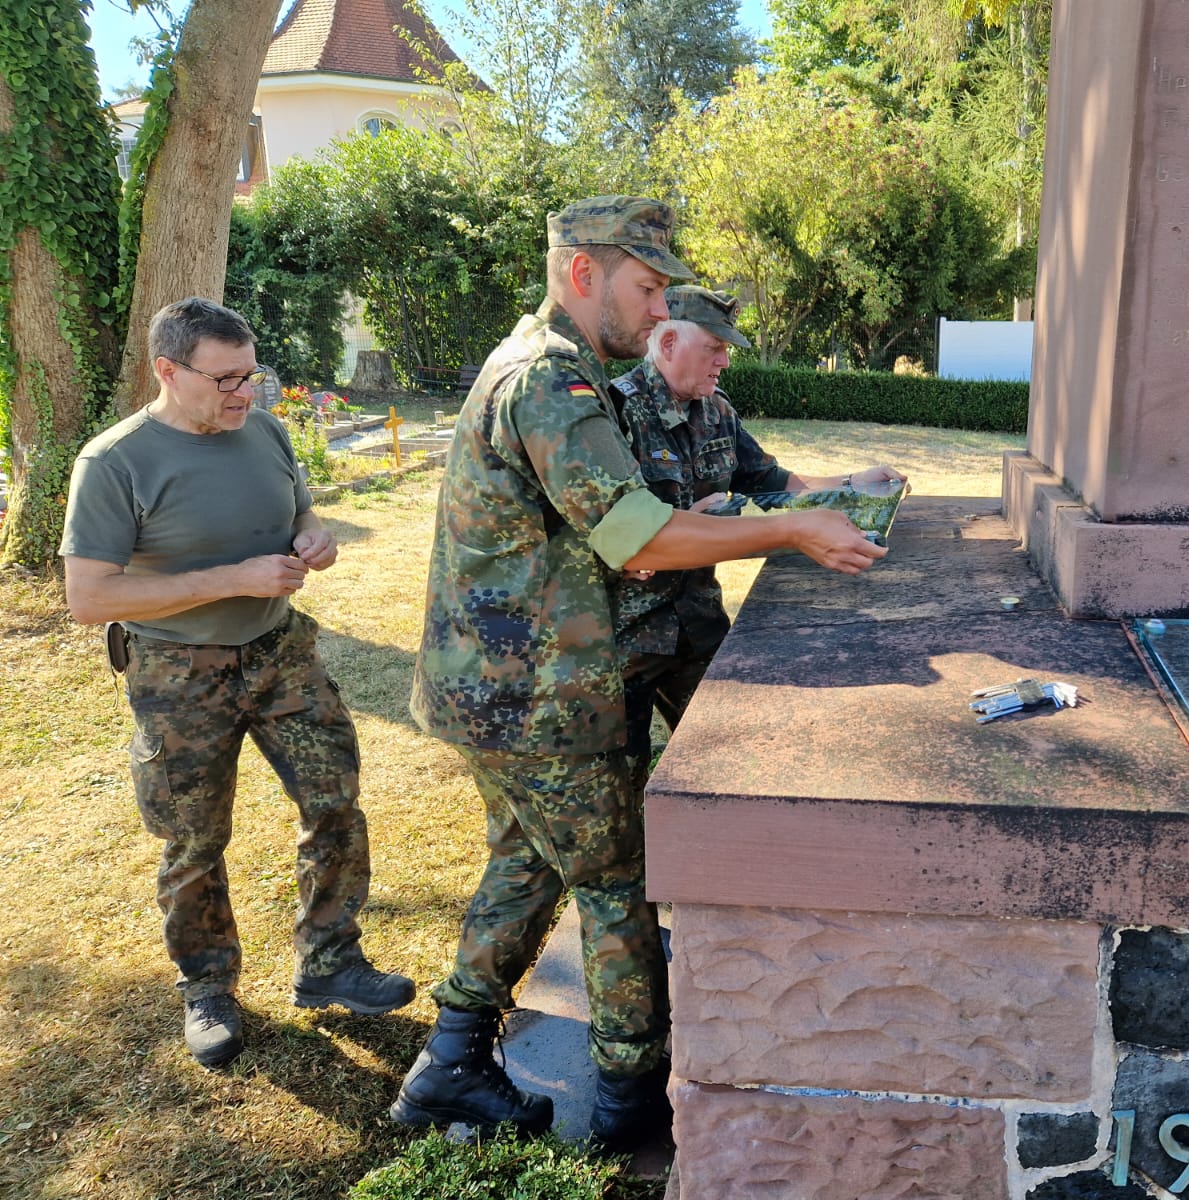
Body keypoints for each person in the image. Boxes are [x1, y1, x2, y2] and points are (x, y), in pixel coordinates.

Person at [396, 196, 886, 1149]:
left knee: (530, 861)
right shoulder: (550, 381)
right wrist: (788, 529)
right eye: (649, 286)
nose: (663, 311)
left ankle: (450, 1065)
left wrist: (790, 505)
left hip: (502, 688)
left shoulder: (554, 368)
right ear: (585, 273)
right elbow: (637, 539)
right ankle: (629, 1102)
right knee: (618, 880)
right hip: (533, 695)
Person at [58, 297, 415, 1070]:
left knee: (335, 804)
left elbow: (298, 510)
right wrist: (233, 577)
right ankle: (208, 984)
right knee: (193, 838)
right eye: (224, 379)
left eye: (250, 375)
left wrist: (310, 538)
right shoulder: (114, 462)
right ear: (166, 371)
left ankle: (329, 961)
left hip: (280, 651)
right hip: (178, 673)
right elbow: (90, 597)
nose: (243, 394)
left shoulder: (265, 430)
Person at [612, 284, 906, 768]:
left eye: (726, 349)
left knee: (728, 760)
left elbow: (771, 481)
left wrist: (853, 481)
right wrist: (682, 527)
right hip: (627, 639)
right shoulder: (618, 412)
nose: (724, 361)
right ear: (668, 344)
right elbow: (602, 526)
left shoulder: (717, 411)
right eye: (714, 348)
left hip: (698, 624)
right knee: (622, 780)